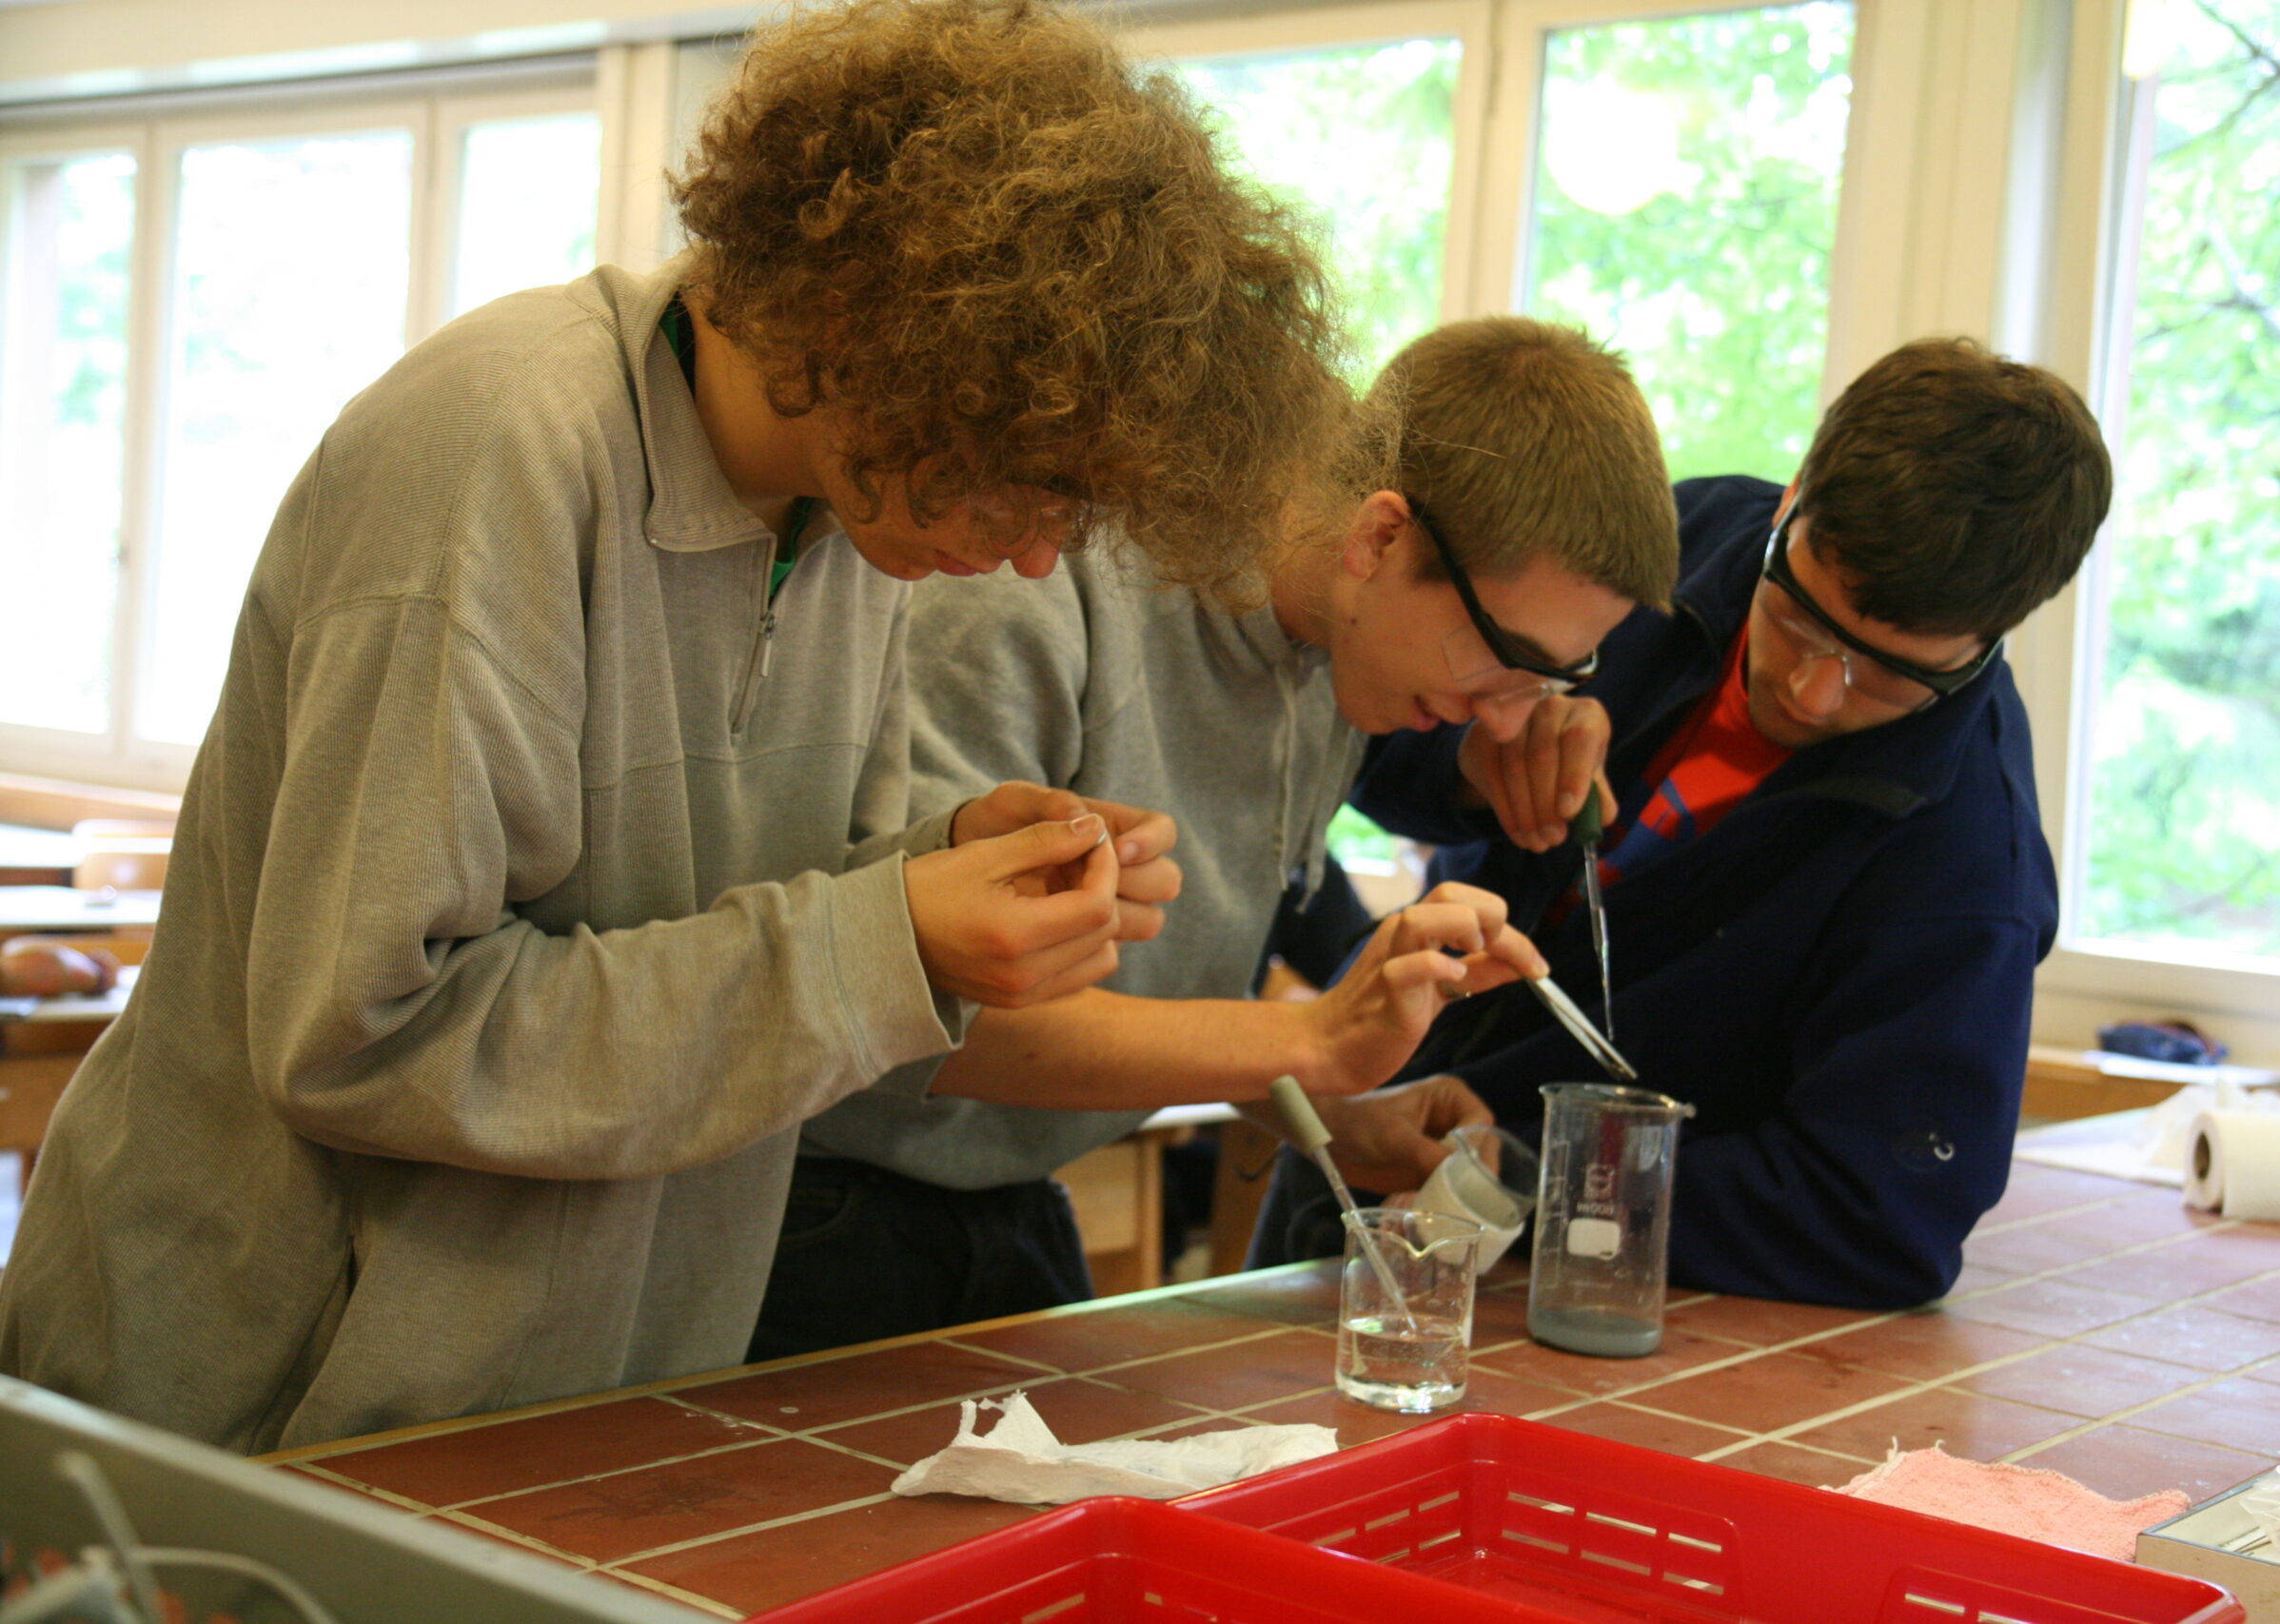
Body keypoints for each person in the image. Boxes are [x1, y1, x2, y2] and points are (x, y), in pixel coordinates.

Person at [0, 0, 1366, 1451]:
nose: (1038, 556)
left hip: (569, 1388)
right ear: (880, 335)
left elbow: (728, 927)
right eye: (1025, 481)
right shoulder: (497, 452)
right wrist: (883, 939)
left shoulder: (845, 526)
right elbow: (366, 1034)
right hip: (264, 1405)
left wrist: (936, 871)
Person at [750, 316, 1680, 1358]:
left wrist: (1317, 1106)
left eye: (1556, 678)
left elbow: (1155, 1002)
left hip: (1003, 1193)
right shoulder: (1038, 591)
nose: (1510, 720)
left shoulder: (1334, 657)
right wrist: (1315, 1044)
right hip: (798, 1209)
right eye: (1505, 658)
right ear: (1380, 538)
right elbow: (917, 1008)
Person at [1255, 336, 2113, 1311]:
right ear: (1793, 499)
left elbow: (1883, 1218)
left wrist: (1545, 1178)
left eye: (1888, 675)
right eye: (1799, 619)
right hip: (1348, 1152)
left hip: (1566, 1291)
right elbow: (1365, 706)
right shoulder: (1671, 544)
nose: (1812, 691)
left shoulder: (1965, 859)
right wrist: (1469, 762)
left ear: (1992, 635)